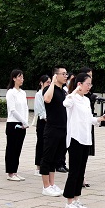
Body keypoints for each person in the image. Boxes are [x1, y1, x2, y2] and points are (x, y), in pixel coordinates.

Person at [62, 72, 105, 208]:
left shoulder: (85, 100)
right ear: (79, 84)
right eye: (87, 84)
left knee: (81, 171)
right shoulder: (72, 98)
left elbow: (90, 119)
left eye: (90, 84)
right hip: (75, 138)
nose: (89, 87)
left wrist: (101, 119)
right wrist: (75, 91)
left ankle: (76, 198)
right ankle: (69, 201)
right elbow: (66, 103)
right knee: (74, 171)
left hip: (85, 138)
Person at [40, 67, 68, 196]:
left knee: (55, 158)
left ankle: (52, 184)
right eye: (63, 74)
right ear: (56, 76)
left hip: (62, 128)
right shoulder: (48, 88)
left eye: (66, 74)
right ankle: (45, 186)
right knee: (47, 157)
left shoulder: (63, 91)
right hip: (52, 128)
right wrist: (52, 83)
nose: (66, 76)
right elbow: (47, 99)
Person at [5, 69, 29, 181]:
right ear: (14, 78)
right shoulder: (11, 92)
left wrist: (26, 121)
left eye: (22, 77)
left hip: (22, 124)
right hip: (13, 123)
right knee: (12, 148)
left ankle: (15, 171)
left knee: (18, 148)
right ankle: (10, 172)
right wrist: (23, 121)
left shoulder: (23, 93)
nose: (22, 79)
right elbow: (13, 110)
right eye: (19, 77)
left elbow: (25, 108)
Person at [33, 75, 50, 176]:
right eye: (47, 82)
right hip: (42, 121)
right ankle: (38, 167)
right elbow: (39, 110)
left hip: (50, 121)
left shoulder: (50, 93)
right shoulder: (39, 94)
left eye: (50, 82)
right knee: (40, 144)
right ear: (41, 83)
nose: (49, 84)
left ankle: (46, 166)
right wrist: (48, 118)